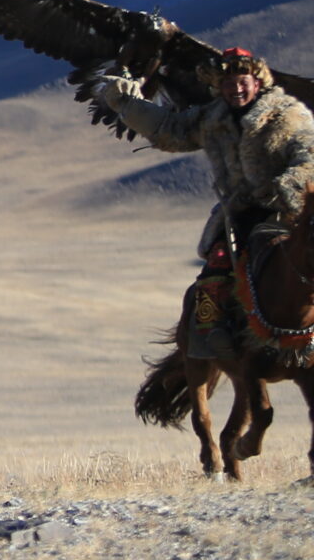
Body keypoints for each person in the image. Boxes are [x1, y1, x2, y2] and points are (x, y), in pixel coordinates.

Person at [92, 47, 314, 361]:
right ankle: (214, 333)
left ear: (258, 82)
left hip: (286, 209)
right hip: (239, 212)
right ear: (218, 87)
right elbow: (170, 130)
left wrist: (289, 184)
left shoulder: (288, 115)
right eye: (227, 83)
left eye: (242, 82)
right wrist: (127, 103)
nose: (236, 89)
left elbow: (310, 153)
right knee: (216, 264)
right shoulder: (211, 118)